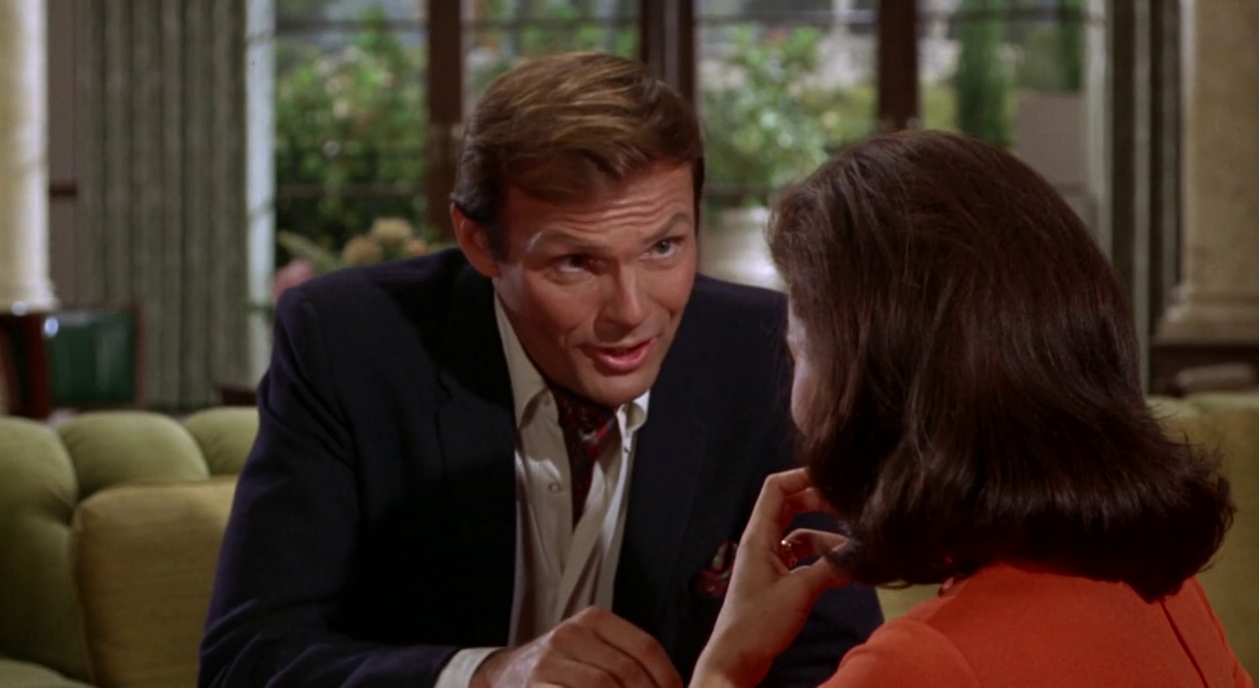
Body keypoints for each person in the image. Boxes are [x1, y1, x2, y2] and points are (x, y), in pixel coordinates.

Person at [199, 51, 882, 688]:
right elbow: (247, 659)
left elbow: (834, 662)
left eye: (663, 247)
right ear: (479, 242)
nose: (631, 312)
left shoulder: (766, 354)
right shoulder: (349, 345)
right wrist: (487, 677)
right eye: (576, 262)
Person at [688, 130, 1253, 687]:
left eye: (800, 352)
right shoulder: (1170, 596)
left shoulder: (911, 668)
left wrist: (724, 667)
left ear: (877, 386)